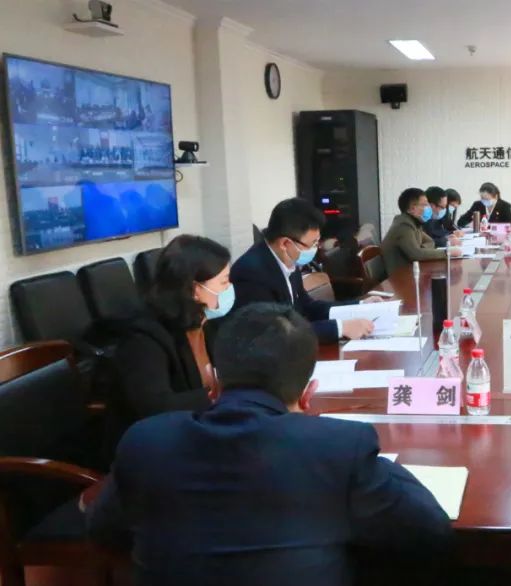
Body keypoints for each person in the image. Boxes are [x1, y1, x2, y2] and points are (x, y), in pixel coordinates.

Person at [87, 304, 453, 586]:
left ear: (214, 383)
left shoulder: (145, 441)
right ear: (309, 394)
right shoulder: (340, 447)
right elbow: (428, 530)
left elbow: (104, 531)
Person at [107, 235, 231, 457]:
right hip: (156, 449)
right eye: (224, 282)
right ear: (195, 289)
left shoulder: (205, 321)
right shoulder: (143, 337)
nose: (229, 288)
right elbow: (155, 407)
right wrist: (216, 395)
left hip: (199, 431)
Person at [231, 198, 374, 344]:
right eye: (312, 243)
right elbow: (276, 333)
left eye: (318, 241)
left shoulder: (287, 258)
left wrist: (360, 306)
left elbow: (306, 306)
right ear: (285, 243)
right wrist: (340, 328)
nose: (317, 248)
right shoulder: (252, 273)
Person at [383, 188, 460, 275]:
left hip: (412, 270)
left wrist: (422, 251)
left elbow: (430, 242)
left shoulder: (415, 223)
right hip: (399, 276)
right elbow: (416, 254)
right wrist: (447, 252)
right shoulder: (404, 225)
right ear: (412, 209)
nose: (428, 208)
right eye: (424, 205)